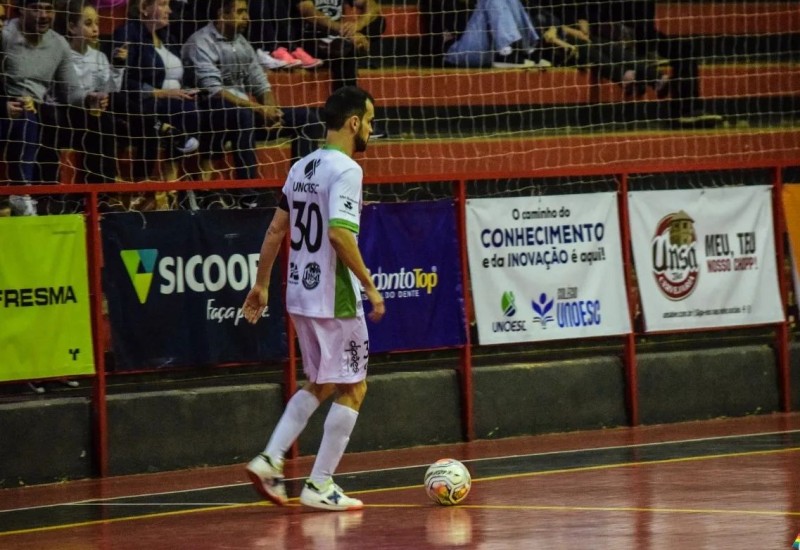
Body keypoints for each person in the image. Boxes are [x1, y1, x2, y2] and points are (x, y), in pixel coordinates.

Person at [242, 85, 385, 512]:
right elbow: (341, 233)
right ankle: (320, 484)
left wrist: (261, 283)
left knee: (321, 382)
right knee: (354, 386)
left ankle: (270, 458)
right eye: (371, 121)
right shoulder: (346, 169)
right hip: (333, 295)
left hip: (300, 294)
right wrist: (370, 285)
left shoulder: (302, 165)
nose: (372, 130)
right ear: (354, 122)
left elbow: (275, 230)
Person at [182, 0, 324, 182]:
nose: (247, 18)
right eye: (240, 12)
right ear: (222, 15)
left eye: (246, 12)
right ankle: (248, 194)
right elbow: (214, 90)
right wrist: (257, 109)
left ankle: (301, 186)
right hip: (210, 115)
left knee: (306, 118)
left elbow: (260, 83)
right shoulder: (200, 42)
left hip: (245, 111)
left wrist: (271, 110)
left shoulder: (242, 44)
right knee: (244, 115)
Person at [0, 0, 107, 215]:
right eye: (36, 8)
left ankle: (98, 201)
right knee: (33, 116)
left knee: (99, 121)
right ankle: (23, 195)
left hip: (38, 107)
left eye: (48, 9)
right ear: (21, 10)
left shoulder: (58, 44)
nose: (43, 15)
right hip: (8, 103)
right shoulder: (4, 36)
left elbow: (71, 91)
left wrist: (89, 99)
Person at [588, 0, 723, 126]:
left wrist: (645, 45)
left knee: (684, 49)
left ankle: (688, 110)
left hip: (641, 37)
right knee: (620, 49)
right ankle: (646, 64)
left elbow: (646, 25)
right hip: (607, 36)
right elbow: (592, 18)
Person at [112, 0, 200, 182]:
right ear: (144, 8)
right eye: (162, 4)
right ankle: (167, 180)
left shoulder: (168, 37)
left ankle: (194, 185)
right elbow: (123, 81)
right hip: (143, 102)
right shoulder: (128, 34)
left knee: (210, 109)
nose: (168, 10)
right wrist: (161, 93)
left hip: (174, 98)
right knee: (186, 111)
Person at [40, 0, 127, 184]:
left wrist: (118, 66)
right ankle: (52, 192)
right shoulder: (60, 53)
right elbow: (64, 92)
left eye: (96, 23)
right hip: (63, 114)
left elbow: (109, 89)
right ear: (71, 27)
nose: (95, 28)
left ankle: (102, 190)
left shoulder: (99, 56)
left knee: (107, 118)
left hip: (89, 114)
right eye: (88, 24)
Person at [420, 0, 542, 69]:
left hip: (486, 48)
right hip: (455, 52)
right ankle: (507, 53)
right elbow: (458, 26)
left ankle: (527, 49)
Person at [292, 0, 385, 90]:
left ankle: (354, 43)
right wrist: (340, 29)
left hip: (339, 36)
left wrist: (358, 25)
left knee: (379, 22)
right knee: (345, 51)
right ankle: (346, 99)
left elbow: (370, 4)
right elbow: (307, 11)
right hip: (312, 39)